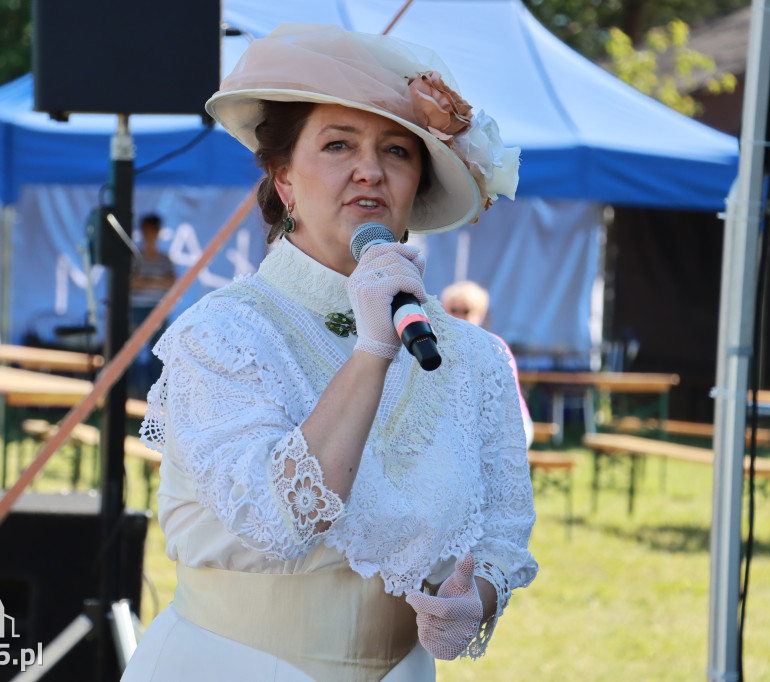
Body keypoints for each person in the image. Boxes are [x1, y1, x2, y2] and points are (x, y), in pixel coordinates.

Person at [123, 24, 536, 682]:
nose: (369, 169)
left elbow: (504, 527)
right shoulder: (223, 334)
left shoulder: (471, 355)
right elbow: (279, 519)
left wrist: (475, 598)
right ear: (284, 181)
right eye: (338, 144)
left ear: (416, 187)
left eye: (397, 151)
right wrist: (372, 349)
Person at [441, 280, 534, 447]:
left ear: (480, 315)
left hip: (506, 427)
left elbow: (495, 403)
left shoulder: (494, 347)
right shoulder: (438, 346)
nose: (459, 316)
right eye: (454, 310)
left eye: (466, 311)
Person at [130, 213, 176, 394]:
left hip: (158, 311)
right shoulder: (135, 257)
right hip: (136, 310)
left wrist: (146, 280)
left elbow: (172, 283)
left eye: (153, 230)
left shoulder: (165, 259)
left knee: (158, 353)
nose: (150, 234)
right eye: (147, 230)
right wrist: (158, 280)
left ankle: (156, 395)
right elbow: (132, 284)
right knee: (131, 353)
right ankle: (131, 392)